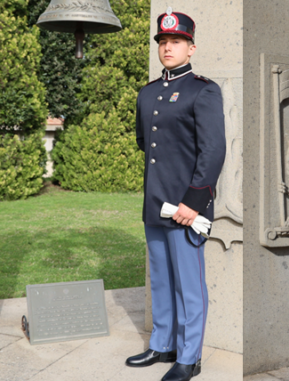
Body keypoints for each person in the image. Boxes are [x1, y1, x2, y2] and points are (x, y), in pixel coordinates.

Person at [125, 7, 226, 381]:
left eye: (176, 42)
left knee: (189, 285)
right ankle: (162, 344)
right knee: (162, 280)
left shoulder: (203, 90)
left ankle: (189, 357)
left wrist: (193, 201)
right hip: (155, 204)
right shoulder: (147, 93)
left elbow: (213, 151)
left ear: (191, 47)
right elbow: (144, 142)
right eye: (163, 42)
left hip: (187, 206)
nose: (168, 48)